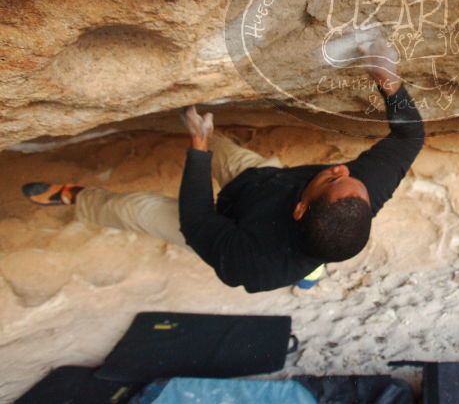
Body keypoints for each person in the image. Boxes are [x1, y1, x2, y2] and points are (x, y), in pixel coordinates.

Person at [22, 37, 425, 293]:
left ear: (302, 209)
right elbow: (410, 136)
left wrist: (198, 150)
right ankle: (316, 264)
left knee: (132, 211)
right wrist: (388, 79)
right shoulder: (359, 189)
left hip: (231, 225)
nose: (341, 170)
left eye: (333, 179)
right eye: (347, 176)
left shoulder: (254, 266)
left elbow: (196, 220)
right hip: (260, 183)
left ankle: (76, 197)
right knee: (217, 143)